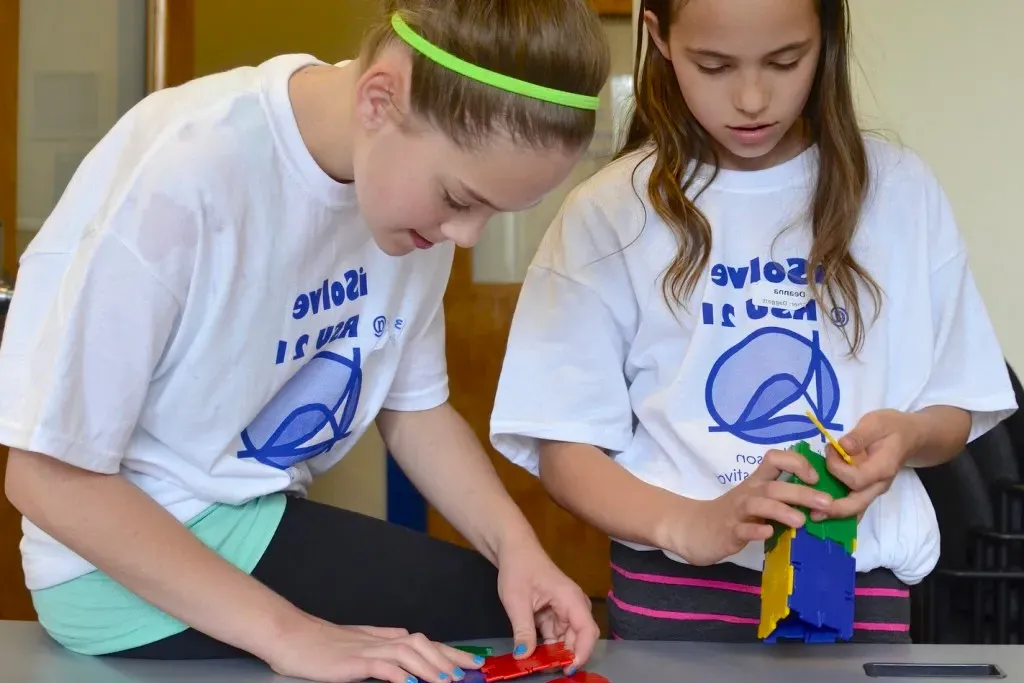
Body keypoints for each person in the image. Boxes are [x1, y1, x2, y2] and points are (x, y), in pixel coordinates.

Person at [0, 0, 610, 680]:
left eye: (493, 212)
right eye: (460, 198)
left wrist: (516, 548)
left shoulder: (413, 206)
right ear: (380, 98)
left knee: (520, 621)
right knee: (474, 634)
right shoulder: (187, 173)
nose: (466, 236)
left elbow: (414, 409)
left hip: (250, 519)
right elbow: (47, 478)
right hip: (111, 569)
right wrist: (293, 636)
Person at [488, 0, 1017, 643]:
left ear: (825, 38)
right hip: (673, 597)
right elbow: (564, 448)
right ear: (658, 38)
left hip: (857, 583)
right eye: (713, 65)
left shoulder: (902, 192)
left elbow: (957, 408)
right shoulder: (608, 212)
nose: (751, 97)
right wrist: (691, 523)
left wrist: (908, 435)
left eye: (785, 61)